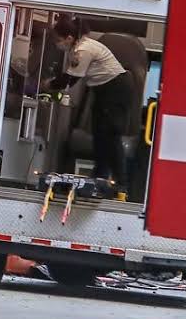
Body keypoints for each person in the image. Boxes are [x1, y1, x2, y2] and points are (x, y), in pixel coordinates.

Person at [47, 16, 133, 199]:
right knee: (99, 133)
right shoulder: (80, 47)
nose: (57, 44)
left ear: (69, 37)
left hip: (115, 89)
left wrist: (48, 85)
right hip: (104, 90)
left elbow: (71, 79)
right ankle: (100, 176)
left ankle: (122, 184)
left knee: (111, 135)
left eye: (58, 40)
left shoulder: (83, 50)